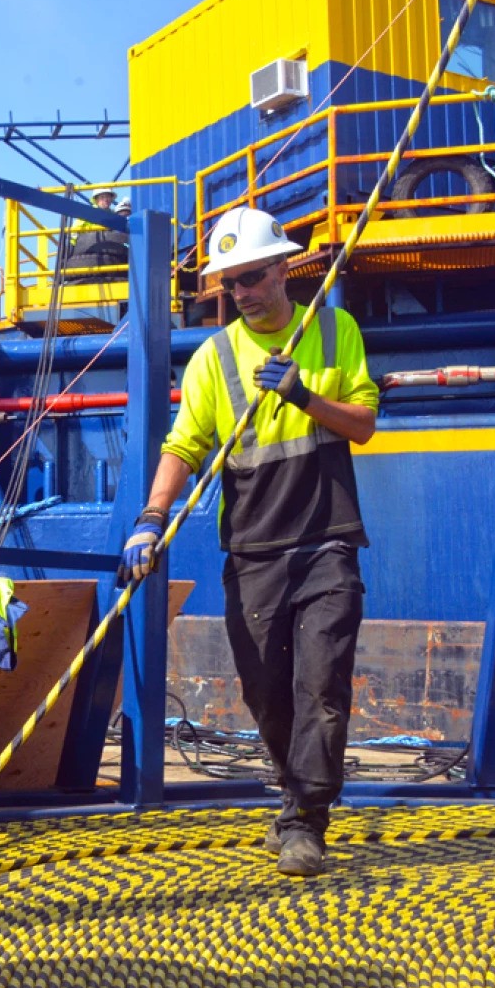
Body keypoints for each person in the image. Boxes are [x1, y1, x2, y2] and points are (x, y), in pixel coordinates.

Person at [118, 206, 378, 878]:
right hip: (255, 551)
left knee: (319, 686)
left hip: (326, 542)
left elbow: (363, 425)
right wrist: (151, 517)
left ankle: (305, 821)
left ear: (285, 268)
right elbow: (185, 444)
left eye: (254, 276)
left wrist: (302, 395)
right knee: (267, 691)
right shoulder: (214, 357)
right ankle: (295, 797)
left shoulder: (332, 328)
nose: (243, 293)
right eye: (231, 283)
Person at [63, 190, 130, 283]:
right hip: (85, 247)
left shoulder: (113, 216)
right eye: (103, 197)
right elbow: (75, 230)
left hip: (109, 253)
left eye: (108, 197)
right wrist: (76, 244)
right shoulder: (88, 212)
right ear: (96, 200)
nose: (106, 200)